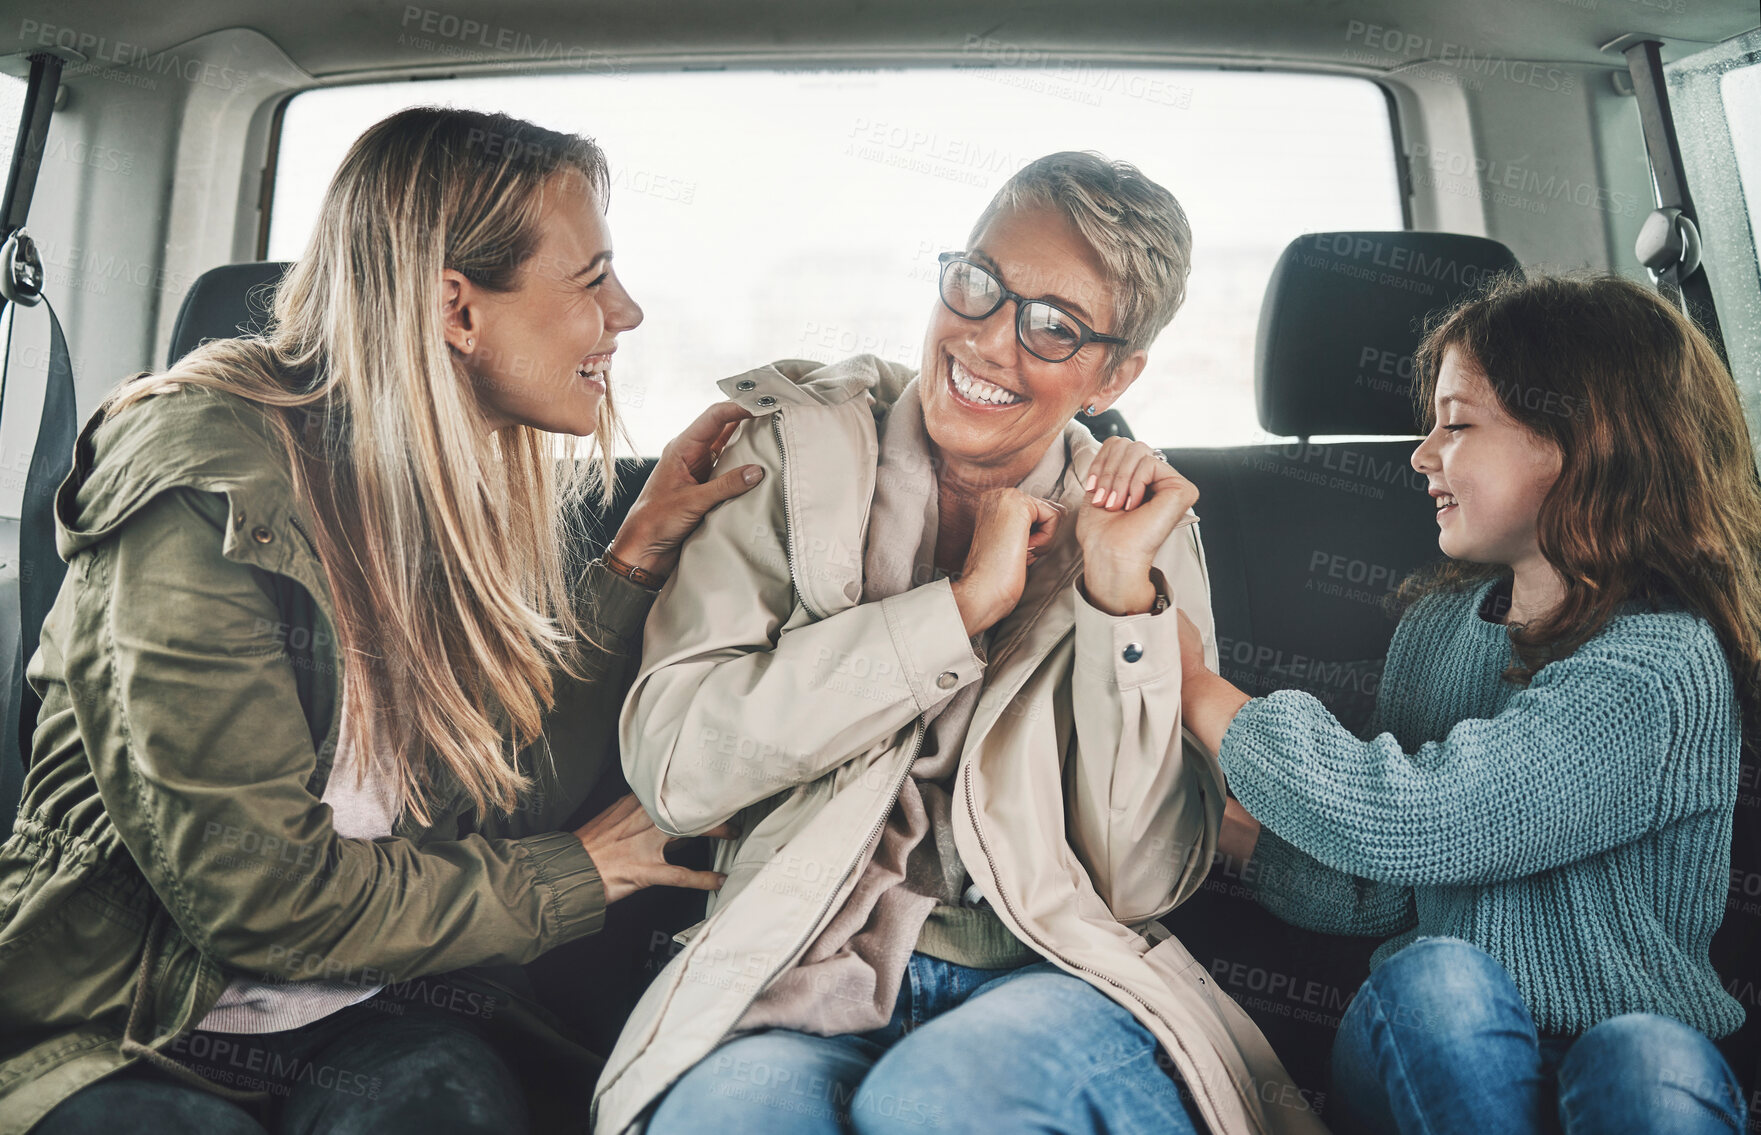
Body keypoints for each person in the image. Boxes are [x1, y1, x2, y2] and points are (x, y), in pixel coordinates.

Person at [0, 107, 764, 1135]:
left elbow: (499, 800)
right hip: (127, 1024)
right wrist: (584, 871)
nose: (623, 312)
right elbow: (261, 900)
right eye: (591, 279)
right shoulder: (202, 488)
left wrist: (633, 558)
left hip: (362, 1012)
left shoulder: (436, 495)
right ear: (458, 309)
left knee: (450, 1106)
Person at [593, 152, 1326, 1135]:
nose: (985, 341)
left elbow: (1139, 878)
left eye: (1054, 326)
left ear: (1114, 373)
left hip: (1053, 970)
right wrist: (958, 609)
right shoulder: (784, 454)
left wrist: (1118, 604)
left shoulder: (1142, 532)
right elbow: (679, 768)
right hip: (793, 959)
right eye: (978, 283)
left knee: (935, 1107)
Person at [1176, 273, 1761, 1134]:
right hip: (1429, 1043)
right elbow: (1382, 884)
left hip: (1624, 1060)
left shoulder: (1659, 664)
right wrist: (1228, 834)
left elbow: (1420, 819)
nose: (1419, 455)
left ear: (1580, 439)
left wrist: (1200, 694)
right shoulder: (1439, 631)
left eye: (1454, 424)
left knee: (1647, 1056)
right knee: (1438, 980)